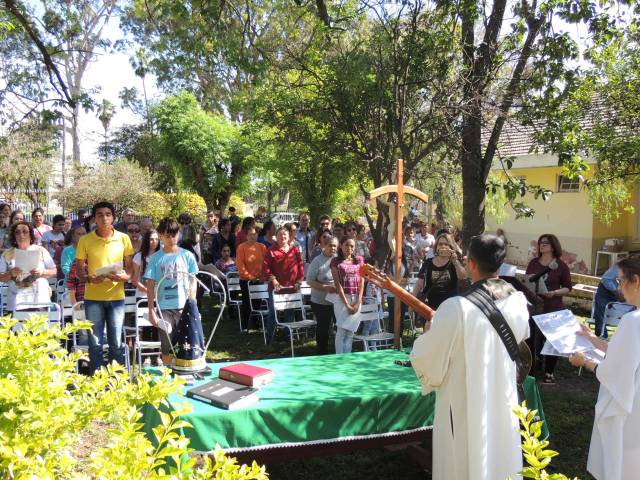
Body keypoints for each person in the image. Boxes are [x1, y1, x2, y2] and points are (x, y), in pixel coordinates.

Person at [411, 234, 529, 480]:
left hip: (464, 403)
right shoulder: (517, 300)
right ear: (500, 263)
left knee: (462, 461)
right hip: (502, 398)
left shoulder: (456, 308)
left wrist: (429, 330)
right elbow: (519, 337)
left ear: (471, 263)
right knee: (500, 457)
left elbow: (428, 357)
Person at [568, 257, 640, 480]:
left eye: (620, 281)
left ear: (636, 281)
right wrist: (592, 338)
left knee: (625, 462)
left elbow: (614, 372)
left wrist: (585, 361)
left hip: (632, 405)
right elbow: (624, 351)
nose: (619, 288)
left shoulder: (633, 321)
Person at [75, 201, 134, 375]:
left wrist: (127, 276)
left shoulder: (124, 238)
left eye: (108, 214)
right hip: (93, 298)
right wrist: (89, 278)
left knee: (116, 342)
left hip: (117, 298)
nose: (104, 218)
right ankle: (97, 379)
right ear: (94, 218)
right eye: (100, 215)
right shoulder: (85, 240)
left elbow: (130, 267)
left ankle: (116, 379)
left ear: (113, 217)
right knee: (95, 342)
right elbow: (79, 269)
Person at [144, 217, 199, 366]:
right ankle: (168, 373)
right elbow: (150, 285)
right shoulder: (155, 258)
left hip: (184, 306)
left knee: (187, 342)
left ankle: (185, 371)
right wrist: (151, 310)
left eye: (174, 235)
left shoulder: (187, 256)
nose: (171, 239)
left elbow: (193, 281)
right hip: (164, 308)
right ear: (161, 236)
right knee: (167, 346)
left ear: (179, 234)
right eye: (167, 236)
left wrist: (192, 303)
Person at [525, 233, 572, 384]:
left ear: (553, 246)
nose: (542, 245)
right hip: (535, 308)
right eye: (540, 242)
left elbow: (568, 288)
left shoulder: (560, 265)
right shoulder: (533, 263)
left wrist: (554, 293)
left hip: (553, 308)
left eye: (546, 242)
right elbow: (528, 281)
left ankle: (549, 373)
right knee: (533, 340)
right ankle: (533, 368)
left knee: (551, 342)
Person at [0, 222, 57, 312]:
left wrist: (42, 272)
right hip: (16, 300)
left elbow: (54, 271)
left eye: (25, 232)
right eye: (17, 232)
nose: (21, 235)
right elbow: (0, 276)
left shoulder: (41, 250)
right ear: (14, 236)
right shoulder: (7, 254)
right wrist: (10, 273)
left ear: (30, 235)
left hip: (39, 298)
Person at [262, 226, 304, 343]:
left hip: (291, 288)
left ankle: (288, 335)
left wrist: (299, 281)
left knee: (289, 312)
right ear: (276, 236)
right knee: (272, 313)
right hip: (276, 288)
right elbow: (265, 268)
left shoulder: (294, 250)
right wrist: (273, 280)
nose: (283, 237)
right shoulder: (271, 250)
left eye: (285, 234)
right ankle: (269, 337)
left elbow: (301, 267)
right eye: (280, 235)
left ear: (289, 236)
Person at [412, 232, 467, 314]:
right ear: (436, 247)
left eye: (446, 244)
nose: (443, 246)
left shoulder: (454, 262)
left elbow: (463, 276)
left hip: (451, 307)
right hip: (431, 307)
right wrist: (412, 302)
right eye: (440, 244)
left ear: (450, 247)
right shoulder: (428, 262)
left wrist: (455, 262)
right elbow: (419, 284)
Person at [330, 236, 365, 354]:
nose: (349, 248)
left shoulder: (359, 260)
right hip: (342, 298)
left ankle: (347, 358)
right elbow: (337, 284)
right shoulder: (335, 261)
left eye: (352, 246)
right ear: (341, 245)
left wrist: (358, 301)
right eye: (346, 245)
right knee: (341, 330)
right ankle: (339, 358)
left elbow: (362, 280)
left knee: (350, 332)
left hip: (356, 298)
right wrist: (347, 305)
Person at [307, 235, 338, 354]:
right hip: (320, 301)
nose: (333, 248)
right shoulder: (317, 261)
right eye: (330, 245)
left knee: (338, 326)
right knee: (323, 328)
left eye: (335, 246)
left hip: (336, 300)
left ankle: (338, 350)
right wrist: (325, 287)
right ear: (324, 246)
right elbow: (310, 280)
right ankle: (322, 351)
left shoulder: (338, 259)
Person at [236, 226, 267, 330]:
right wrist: (250, 277)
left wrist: (263, 275)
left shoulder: (262, 247)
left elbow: (266, 263)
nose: (252, 236)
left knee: (258, 303)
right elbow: (240, 265)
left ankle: (256, 324)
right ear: (246, 236)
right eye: (250, 234)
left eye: (254, 234)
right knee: (247, 304)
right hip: (246, 281)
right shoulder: (241, 247)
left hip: (259, 280)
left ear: (257, 235)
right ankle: (244, 326)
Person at [592, 265, 621, 338]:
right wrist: (617, 291)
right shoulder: (624, 264)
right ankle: (602, 337)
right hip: (609, 293)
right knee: (600, 315)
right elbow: (606, 279)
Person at [132, 229, 160, 298]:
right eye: (151, 239)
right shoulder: (138, 256)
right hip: (142, 296)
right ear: (146, 240)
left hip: (160, 296)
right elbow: (134, 280)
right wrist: (148, 291)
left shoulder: (162, 256)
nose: (154, 242)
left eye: (156, 239)